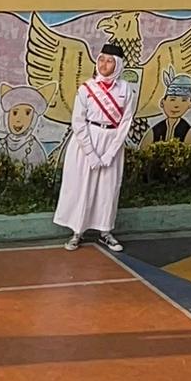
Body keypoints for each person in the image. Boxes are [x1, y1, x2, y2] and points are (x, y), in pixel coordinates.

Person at [56, 46, 132, 254]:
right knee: (82, 187)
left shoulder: (126, 90)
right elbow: (78, 122)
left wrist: (109, 154)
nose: (104, 65)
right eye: (102, 60)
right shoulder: (87, 89)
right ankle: (77, 232)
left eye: (110, 61)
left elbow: (125, 122)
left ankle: (105, 231)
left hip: (112, 143)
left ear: (118, 65)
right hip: (86, 142)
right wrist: (91, 154)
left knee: (108, 189)